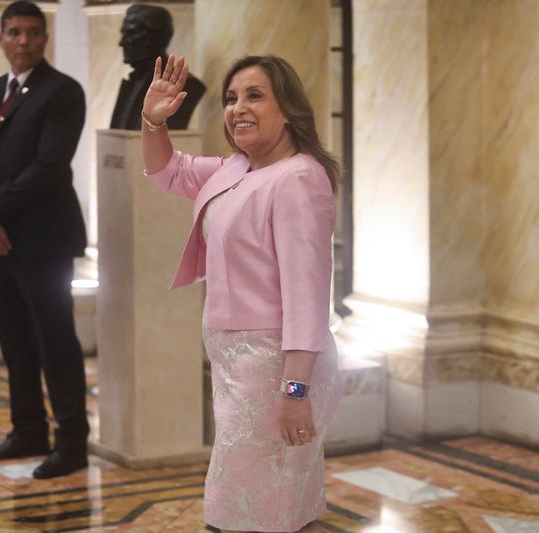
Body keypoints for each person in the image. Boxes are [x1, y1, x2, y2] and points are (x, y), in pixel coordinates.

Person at [141, 54, 341, 532]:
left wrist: (295, 392)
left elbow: (307, 298)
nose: (237, 108)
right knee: (269, 509)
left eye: (254, 95)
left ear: (288, 108)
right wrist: (152, 120)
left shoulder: (298, 179)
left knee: (246, 511)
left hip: (278, 366)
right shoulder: (237, 169)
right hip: (237, 365)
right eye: (231, 98)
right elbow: (166, 171)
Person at [0, 0, 89, 480]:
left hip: (44, 240)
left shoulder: (62, 92)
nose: (23, 41)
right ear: (1, 39)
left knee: (55, 342)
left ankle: (71, 444)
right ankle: (27, 430)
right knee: (15, 341)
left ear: (45, 39)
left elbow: (48, 168)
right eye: (14, 32)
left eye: (33, 33)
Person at [110, 3, 205, 130]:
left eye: (130, 34)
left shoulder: (187, 84)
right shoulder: (134, 80)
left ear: (153, 38)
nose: (121, 43)